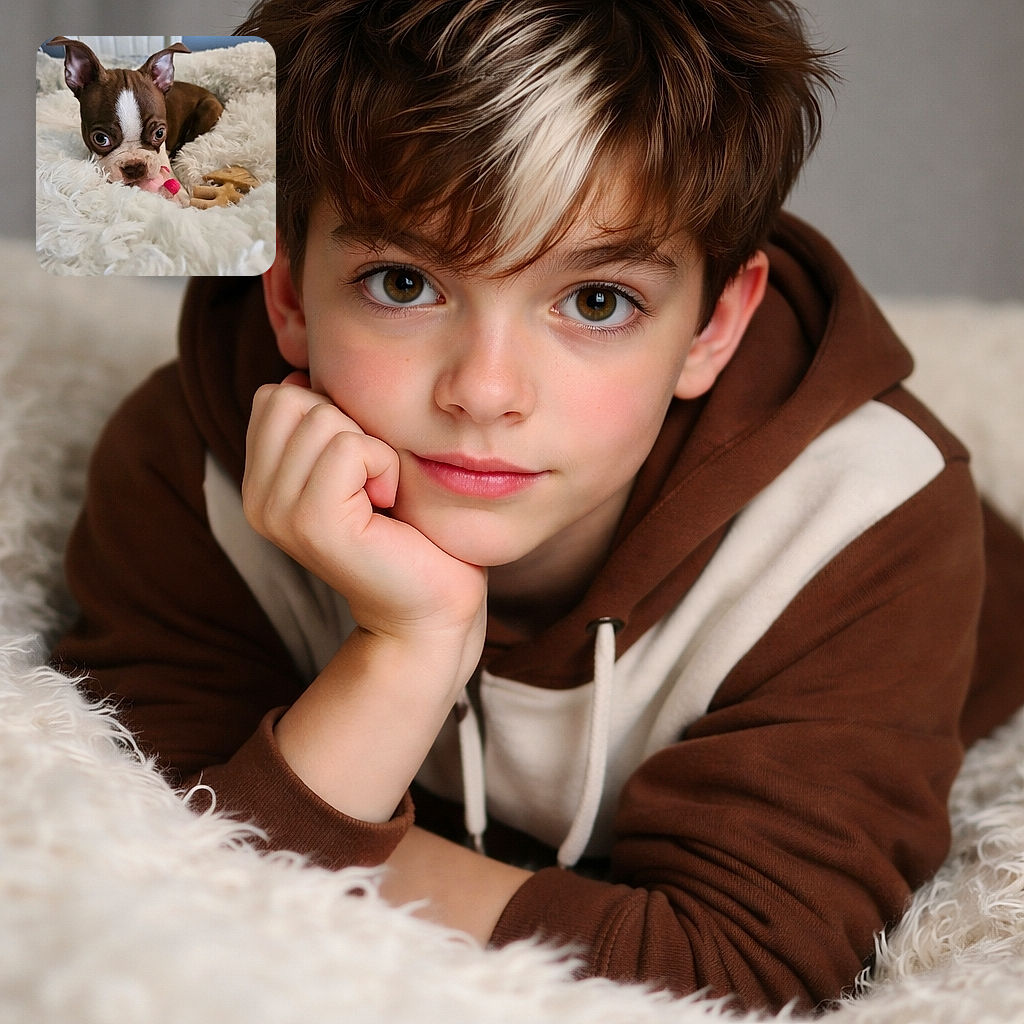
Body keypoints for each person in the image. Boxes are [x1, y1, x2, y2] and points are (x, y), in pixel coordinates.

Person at [53, 0, 1024, 1013]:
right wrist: (406, 646)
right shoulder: (188, 462)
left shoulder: (866, 520)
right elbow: (148, 866)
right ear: (290, 291)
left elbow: (740, 972)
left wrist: (304, 833)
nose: (484, 391)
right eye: (401, 282)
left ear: (711, 327)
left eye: (595, 302)